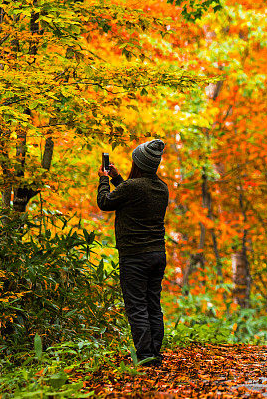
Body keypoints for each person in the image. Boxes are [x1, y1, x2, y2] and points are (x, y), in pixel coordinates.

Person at [97, 139, 169, 367]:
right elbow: (134, 196)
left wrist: (104, 180)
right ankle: (154, 352)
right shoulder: (161, 188)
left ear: (138, 163)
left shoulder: (132, 187)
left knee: (136, 306)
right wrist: (118, 179)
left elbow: (105, 202)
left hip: (135, 256)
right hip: (157, 254)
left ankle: (145, 356)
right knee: (152, 304)